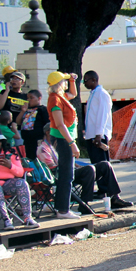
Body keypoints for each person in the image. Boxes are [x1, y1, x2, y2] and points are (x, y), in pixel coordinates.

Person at [38, 124, 132, 213]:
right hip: (61, 174)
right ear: (48, 132)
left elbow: (72, 161)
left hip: (72, 170)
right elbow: (51, 167)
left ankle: (115, 198)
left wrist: (78, 165)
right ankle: (84, 204)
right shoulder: (43, 148)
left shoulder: (57, 145)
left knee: (105, 165)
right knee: (89, 169)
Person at [46, 71, 82, 219]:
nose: (66, 83)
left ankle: (62, 208)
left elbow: (73, 94)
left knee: (67, 174)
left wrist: (73, 81)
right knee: (66, 175)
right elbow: (60, 125)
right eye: (65, 81)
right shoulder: (55, 100)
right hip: (64, 140)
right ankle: (63, 210)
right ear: (59, 84)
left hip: (65, 139)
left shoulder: (60, 97)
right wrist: (72, 143)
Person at [0, 127, 39, 229]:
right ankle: (6, 219)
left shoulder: (10, 153)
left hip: (8, 183)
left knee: (22, 183)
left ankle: (27, 218)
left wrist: (10, 165)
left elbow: (20, 173)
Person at [83, 70, 113, 164]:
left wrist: (99, 135)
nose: (84, 83)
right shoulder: (93, 94)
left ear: (93, 80)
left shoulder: (102, 94)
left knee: (102, 166)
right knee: (95, 165)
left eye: (86, 80)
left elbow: (103, 115)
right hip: (91, 135)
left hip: (98, 136)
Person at [16, 89, 50, 159]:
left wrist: (45, 138)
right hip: (27, 140)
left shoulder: (42, 109)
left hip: (38, 140)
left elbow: (47, 124)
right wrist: (23, 111)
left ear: (39, 98)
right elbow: (18, 122)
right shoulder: (26, 110)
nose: (28, 100)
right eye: (27, 98)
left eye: (31, 98)